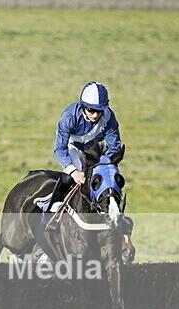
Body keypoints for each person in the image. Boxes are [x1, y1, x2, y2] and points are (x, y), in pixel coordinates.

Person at [45, 81, 135, 262]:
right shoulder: (69, 117)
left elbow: (114, 145)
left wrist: (106, 164)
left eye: (98, 111)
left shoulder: (108, 116)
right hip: (73, 149)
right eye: (90, 110)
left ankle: (118, 218)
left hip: (96, 152)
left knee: (110, 181)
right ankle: (53, 214)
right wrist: (73, 172)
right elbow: (59, 150)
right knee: (75, 177)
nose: (95, 115)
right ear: (82, 106)